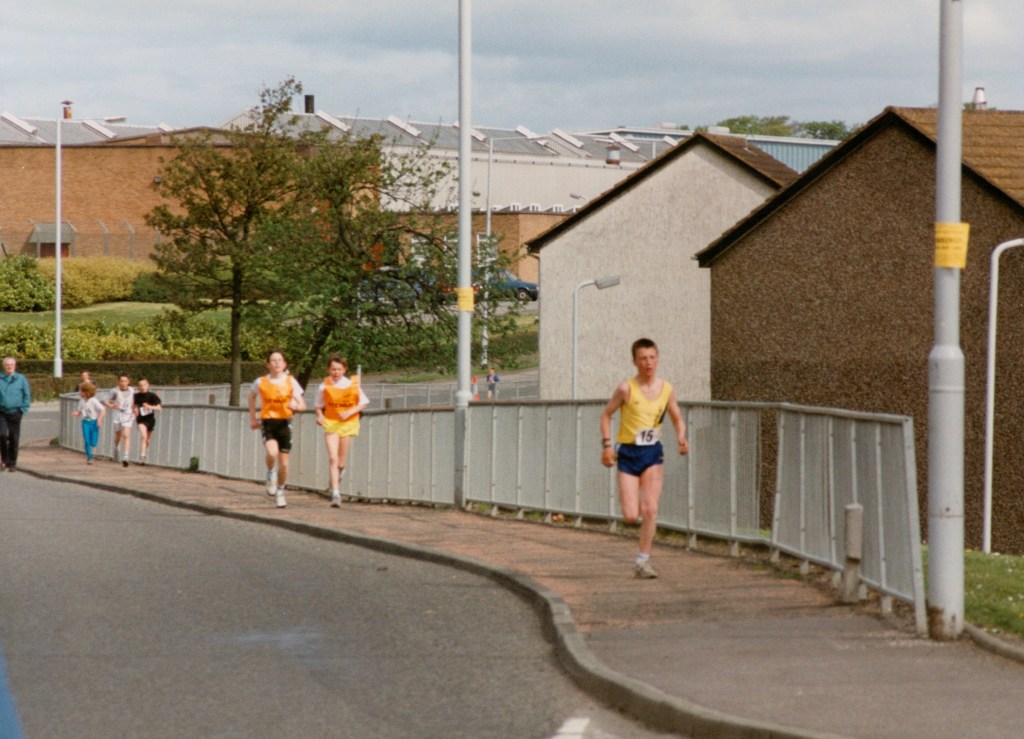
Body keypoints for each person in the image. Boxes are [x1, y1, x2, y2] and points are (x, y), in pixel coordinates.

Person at [600, 338, 688, 579]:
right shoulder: (626, 389)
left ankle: (642, 560)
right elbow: (606, 415)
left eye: (652, 358)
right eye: (643, 359)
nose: (648, 363)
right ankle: (635, 510)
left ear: (657, 359)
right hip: (628, 454)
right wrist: (607, 446)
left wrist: (681, 437)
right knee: (631, 515)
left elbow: (677, 418)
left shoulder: (666, 389)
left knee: (650, 508)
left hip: (652, 453)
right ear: (634, 362)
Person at [249, 349, 306, 508]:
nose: (277, 363)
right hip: (268, 422)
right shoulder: (260, 382)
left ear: (285, 364)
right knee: (272, 452)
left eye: (280, 360)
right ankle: (270, 473)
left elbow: (302, 405)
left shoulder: (291, 381)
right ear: (268, 365)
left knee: (285, 464)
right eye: (273, 360)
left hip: (285, 423)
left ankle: (280, 491)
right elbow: (251, 397)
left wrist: (295, 406)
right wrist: (253, 418)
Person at [315, 356, 369, 507]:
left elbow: (364, 402)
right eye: (333, 369)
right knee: (333, 458)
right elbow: (318, 405)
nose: (336, 372)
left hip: (348, 423)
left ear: (344, 370)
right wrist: (320, 416)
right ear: (328, 370)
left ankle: (338, 475)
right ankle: (336, 493)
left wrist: (349, 412)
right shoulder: (324, 386)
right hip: (331, 423)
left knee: (340, 462)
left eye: (339, 369)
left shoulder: (352, 384)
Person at [0, 356, 31, 473]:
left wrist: (23, 409)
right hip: (2, 412)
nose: (9, 367)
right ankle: (4, 459)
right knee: (2, 435)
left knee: (14, 437)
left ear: (15, 366)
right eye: (7, 365)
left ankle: (12, 463)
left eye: (11, 365)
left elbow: (27, 395)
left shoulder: (21, 379)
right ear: (4, 366)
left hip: (15, 412)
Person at [104, 373, 135, 467]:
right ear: (118, 381)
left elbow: (135, 401)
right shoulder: (114, 391)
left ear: (128, 382)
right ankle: (116, 448)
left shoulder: (132, 390)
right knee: (118, 435)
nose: (123, 383)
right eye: (121, 381)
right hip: (117, 415)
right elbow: (105, 401)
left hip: (128, 415)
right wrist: (112, 405)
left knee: (126, 435)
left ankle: (126, 457)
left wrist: (135, 408)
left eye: (125, 381)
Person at [72, 381, 106, 464]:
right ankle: (89, 457)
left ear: (86, 392)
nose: (79, 393)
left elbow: (102, 410)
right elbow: (80, 411)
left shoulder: (93, 400)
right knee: (87, 440)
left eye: (81, 391)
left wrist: (99, 420)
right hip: (85, 422)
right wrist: (76, 413)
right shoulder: (81, 401)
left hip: (94, 422)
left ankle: (92, 445)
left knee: (93, 443)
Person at [133, 377, 162, 465]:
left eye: (144, 385)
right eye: (140, 385)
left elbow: (159, 408)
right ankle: (142, 457)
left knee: (147, 440)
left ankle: (144, 453)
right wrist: (135, 409)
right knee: (143, 436)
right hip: (141, 420)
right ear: (138, 387)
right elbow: (134, 405)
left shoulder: (152, 396)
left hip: (150, 419)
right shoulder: (136, 396)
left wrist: (149, 406)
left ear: (148, 385)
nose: (142, 387)